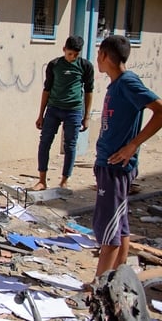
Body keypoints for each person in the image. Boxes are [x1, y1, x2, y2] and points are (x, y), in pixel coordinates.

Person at [92, 35, 162, 278]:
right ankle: (119, 277)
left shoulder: (129, 82)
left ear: (104, 55)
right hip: (109, 165)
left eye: (98, 54)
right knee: (120, 227)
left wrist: (133, 145)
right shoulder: (117, 84)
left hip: (116, 168)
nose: (97, 59)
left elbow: (160, 110)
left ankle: (99, 285)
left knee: (109, 231)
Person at [32, 35, 94, 190]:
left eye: (76, 54)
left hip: (74, 110)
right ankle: (42, 180)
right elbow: (46, 90)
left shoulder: (86, 66)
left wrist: (86, 116)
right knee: (45, 142)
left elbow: (89, 91)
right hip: (53, 108)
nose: (72, 57)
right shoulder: (54, 65)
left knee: (70, 145)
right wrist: (41, 114)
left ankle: (64, 181)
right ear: (64, 50)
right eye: (69, 54)